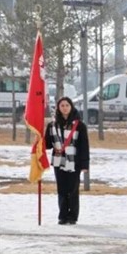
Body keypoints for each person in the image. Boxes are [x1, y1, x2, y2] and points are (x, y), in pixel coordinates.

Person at [44, 96, 89, 225]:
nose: (65, 108)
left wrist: (85, 164)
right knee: (61, 189)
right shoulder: (52, 125)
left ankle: (73, 216)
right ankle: (62, 215)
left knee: (73, 189)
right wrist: (39, 139)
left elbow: (84, 146)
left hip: (74, 161)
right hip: (59, 160)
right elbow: (47, 144)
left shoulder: (79, 125)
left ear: (71, 107)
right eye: (62, 105)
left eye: (67, 105)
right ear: (58, 108)